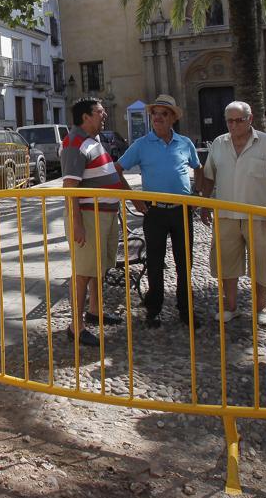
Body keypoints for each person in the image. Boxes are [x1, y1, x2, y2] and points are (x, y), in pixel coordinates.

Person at [197, 101, 266, 326]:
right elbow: (209, 176)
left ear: (250, 119)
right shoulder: (219, 144)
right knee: (226, 262)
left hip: (259, 216)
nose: (234, 125)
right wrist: (205, 204)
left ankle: (261, 308)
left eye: (239, 120)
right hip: (226, 215)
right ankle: (230, 307)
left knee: (262, 262)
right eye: (230, 120)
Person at [117, 94, 203, 328]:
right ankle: (153, 309)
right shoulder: (141, 145)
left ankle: (185, 309)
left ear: (172, 118)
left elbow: (198, 168)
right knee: (155, 262)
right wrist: (134, 198)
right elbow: (118, 169)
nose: (158, 117)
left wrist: (199, 194)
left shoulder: (185, 143)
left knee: (184, 262)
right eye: (154, 113)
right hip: (154, 213)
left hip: (181, 212)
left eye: (163, 114)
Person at [61, 97, 127, 347]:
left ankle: (95, 311)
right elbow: (70, 188)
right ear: (86, 117)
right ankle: (75, 326)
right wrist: (76, 223)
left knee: (98, 267)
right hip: (89, 217)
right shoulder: (74, 143)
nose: (105, 115)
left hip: (105, 215)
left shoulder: (93, 140)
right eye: (100, 112)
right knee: (83, 271)